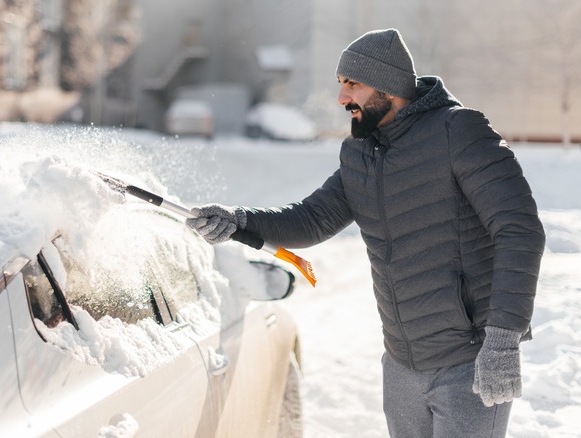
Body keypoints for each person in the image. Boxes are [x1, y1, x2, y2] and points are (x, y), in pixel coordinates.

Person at [186, 28, 545, 438]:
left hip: (468, 361)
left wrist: (502, 337)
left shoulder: (458, 131)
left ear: (389, 86)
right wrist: (239, 221)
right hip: (401, 365)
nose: (342, 98)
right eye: (340, 84)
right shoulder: (360, 153)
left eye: (352, 84)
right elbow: (312, 219)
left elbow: (520, 230)